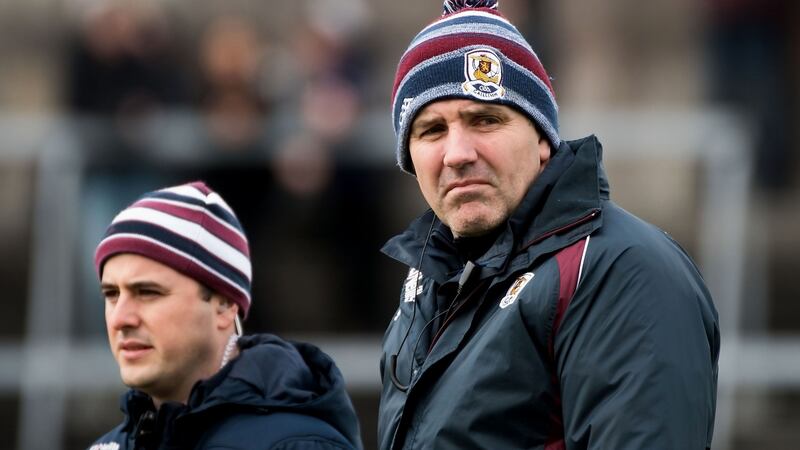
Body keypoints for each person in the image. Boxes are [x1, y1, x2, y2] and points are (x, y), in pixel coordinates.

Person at [378, 1, 720, 449]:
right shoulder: (428, 280)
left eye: (485, 120)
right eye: (432, 130)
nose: (457, 153)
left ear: (543, 138)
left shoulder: (619, 270)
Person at [89, 181, 363, 450]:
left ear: (224, 305)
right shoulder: (111, 445)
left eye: (148, 292)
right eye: (111, 294)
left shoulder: (298, 444)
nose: (120, 319)